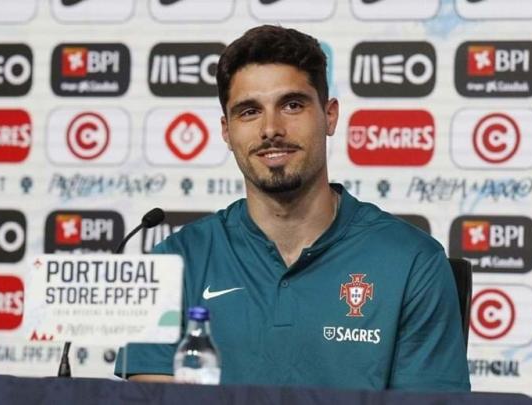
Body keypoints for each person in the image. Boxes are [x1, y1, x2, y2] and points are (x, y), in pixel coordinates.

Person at [116, 25, 470, 392]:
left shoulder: (413, 262)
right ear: (226, 131)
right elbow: (153, 397)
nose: (271, 128)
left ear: (330, 115)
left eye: (292, 105)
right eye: (249, 111)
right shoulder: (173, 262)